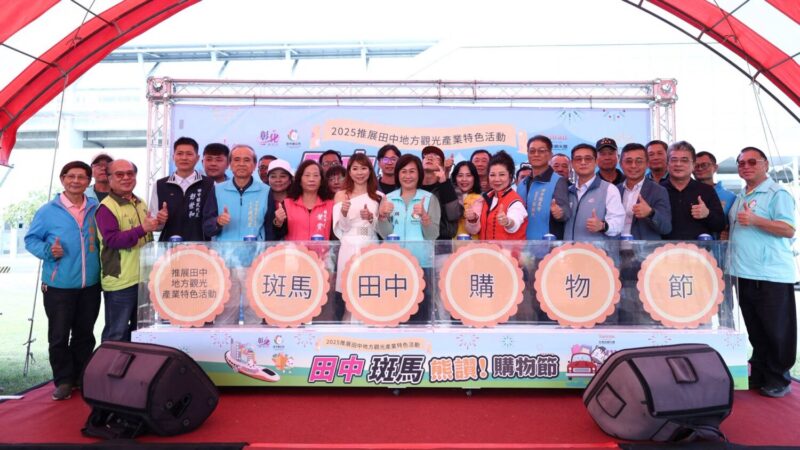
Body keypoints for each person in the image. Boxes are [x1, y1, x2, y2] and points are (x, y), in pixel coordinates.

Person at [25, 161, 101, 400]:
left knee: (85, 334)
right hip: (58, 285)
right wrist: (49, 251)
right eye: (71, 176)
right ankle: (64, 380)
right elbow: (30, 239)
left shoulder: (96, 208)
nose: (76, 181)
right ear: (62, 179)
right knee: (58, 336)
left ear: (88, 181)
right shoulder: (48, 211)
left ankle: (80, 376)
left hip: (91, 284)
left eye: (82, 177)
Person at [728, 147, 796, 398]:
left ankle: (779, 378)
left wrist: (757, 221)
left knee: (777, 331)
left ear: (765, 164)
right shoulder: (741, 195)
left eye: (752, 162)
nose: (746, 166)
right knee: (756, 329)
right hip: (744, 273)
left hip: (770, 275)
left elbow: (788, 229)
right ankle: (759, 373)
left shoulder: (777, 193)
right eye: (741, 163)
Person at [96, 159, 157, 342]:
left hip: (144, 279)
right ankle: (110, 363)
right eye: (119, 174)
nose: (126, 178)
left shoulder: (140, 202)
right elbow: (112, 240)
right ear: (109, 178)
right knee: (117, 333)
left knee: (143, 331)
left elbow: (148, 234)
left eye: (130, 173)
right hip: (120, 282)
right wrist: (142, 229)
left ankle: (135, 363)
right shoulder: (106, 207)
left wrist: (158, 222)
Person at [377, 154, 441, 323]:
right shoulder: (388, 198)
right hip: (393, 264)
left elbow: (433, 234)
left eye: (412, 171)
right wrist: (382, 217)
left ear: (419, 174)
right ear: (398, 174)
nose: (408, 176)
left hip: (422, 264)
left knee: (420, 317)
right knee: (394, 314)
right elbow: (384, 233)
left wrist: (425, 217)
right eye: (403, 171)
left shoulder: (429, 198)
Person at [333, 153, 383, 320]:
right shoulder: (341, 195)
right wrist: (344, 213)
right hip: (349, 246)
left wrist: (371, 218)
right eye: (355, 168)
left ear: (370, 170)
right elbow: (342, 228)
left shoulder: (379, 196)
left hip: (370, 245)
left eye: (363, 168)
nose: (359, 172)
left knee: (370, 292)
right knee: (350, 294)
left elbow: (383, 229)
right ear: (349, 171)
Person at [149, 136, 219, 241]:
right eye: (180, 153)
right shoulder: (160, 185)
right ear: (173, 157)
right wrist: (160, 221)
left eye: (189, 154)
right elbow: (155, 226)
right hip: (169, 245)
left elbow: (214, 221)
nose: (184, 158)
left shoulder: (210, 184)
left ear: (197, 158)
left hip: (201, 246)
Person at [660, 141, 726, 240]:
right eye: (674, 160)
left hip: (698, 248)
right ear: (667, 164)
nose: (678, 164)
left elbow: (720, 225)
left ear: (693, 165)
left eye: (684, 160)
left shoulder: (707, 190)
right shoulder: (657, 190)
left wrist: (707, 214)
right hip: (663, 248)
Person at [564, 144, 624, 240]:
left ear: (596, 161)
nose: (583, 162)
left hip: (597, 249)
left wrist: (602, 226)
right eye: (578, 159)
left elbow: (618, 223)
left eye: (588, 159)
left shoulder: (609, 189)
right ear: (572, 163)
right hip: (569, 249)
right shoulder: (568, 191)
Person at [517, 135, 571, 240]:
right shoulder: (522, 183)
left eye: (541, 151)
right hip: (522, 243)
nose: (536, 154)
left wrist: (560, 213)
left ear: (550, 155)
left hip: (548, 243)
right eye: (532, 151)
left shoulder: (558, 181)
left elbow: (566, 212)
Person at [214, 145, 271, 241]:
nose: (241, 164)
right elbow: (207, 225)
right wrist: (217, 222)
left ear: (254, 165)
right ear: (230, 164)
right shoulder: (217, 190)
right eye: (237, 160)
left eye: (247, 160)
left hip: (256, 249)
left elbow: (270, 229)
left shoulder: (266, 191)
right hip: (223, 249)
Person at [617, 143, 672, 240]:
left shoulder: (658, 191)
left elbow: (666, 228)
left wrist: (651, 213)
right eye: (628, 161)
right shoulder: (614, 190)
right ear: (621, 164)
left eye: (639, 161)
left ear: (647, 164)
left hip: (645, 249)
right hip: (615, 247)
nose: (633, 166)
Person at [271, 160, 333, 240]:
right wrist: (278, 222)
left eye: (316, 175)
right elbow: (278, 234)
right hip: (295, 248)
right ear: (300, 180)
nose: (311, 179)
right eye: (307, 175)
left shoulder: (331, 205)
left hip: (323, 248)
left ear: (321, 180)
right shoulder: (287, 204)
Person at [473, 151, 528, 240]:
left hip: (509, 249)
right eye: (492, 175)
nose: (497, 179)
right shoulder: (485, 198)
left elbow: (515, 223)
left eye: (502, 174)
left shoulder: (515, 202)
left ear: (510, 176)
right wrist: (472, 219)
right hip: (486, 248)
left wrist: (507, 222)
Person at [420, 145, 462, 240]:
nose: (430, 157)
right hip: (416, 240)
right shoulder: (413, 187)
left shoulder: (451, 188)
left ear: (442, 166)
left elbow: (454, 215)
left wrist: (444, 183)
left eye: (436, 157)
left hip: (441, 242)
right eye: (426, 156)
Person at [694, 151, 736, 217]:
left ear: (715, 168)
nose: (700, 168)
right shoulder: (684, 193)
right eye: (695, 166)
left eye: (704, 165)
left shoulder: (730, 197)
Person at [451, 161, 483, 240]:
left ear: (474, 178)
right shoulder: (450, 197)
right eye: (460, 175)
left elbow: (474, 230)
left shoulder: (479, 199)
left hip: (470, 245)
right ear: (454, 178)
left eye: (468, 175)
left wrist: (472, 219)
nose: (464, 179)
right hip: (450, 244)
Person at [263, 159, 294, 241]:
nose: (278, 180)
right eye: (273, 176)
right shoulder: (262, 200)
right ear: (268, 179)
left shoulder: (297, 201)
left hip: (294, 246)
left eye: (283, 176)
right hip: (268, 246)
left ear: (290, 180)